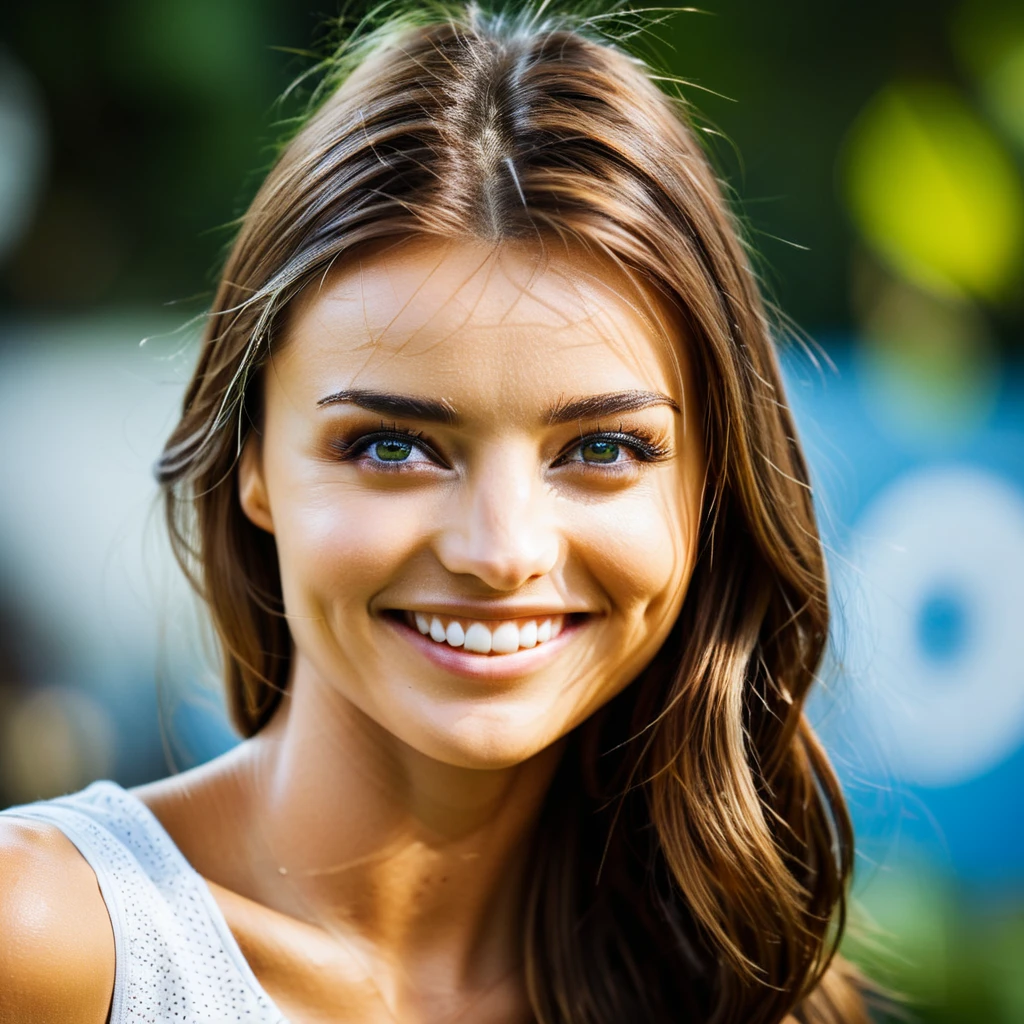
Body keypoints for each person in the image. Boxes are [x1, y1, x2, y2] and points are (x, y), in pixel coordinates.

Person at [0, 4, 872, 1022]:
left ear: (708, 489)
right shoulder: (41, 936)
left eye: (600, 449)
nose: (499, 551)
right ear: (254, 467)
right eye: (391, 447)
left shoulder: (751, 988)